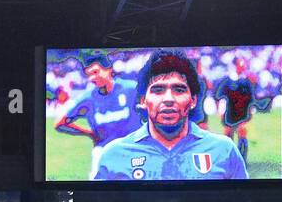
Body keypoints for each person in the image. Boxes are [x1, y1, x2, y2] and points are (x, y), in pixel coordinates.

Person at [94, 49, 248, 181]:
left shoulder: (224, 150)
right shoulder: (114, 155)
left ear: (193, 100)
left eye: (179, 90)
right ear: (143, 100)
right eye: (158, 90)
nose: (168, 99)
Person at [54, 52, 144, 179]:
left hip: (133, 151)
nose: (92, 78)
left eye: (96, 72)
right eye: (89, 74)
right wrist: (88, 133)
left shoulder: (131, 89)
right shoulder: (88, 98)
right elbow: (60, 123)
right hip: (104, 153)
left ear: (109, 70)